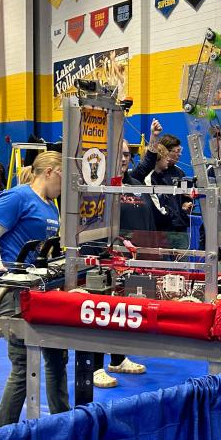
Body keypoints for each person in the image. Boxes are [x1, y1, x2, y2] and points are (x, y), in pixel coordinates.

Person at [0, 150, 68, 422]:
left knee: (57, 359)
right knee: (22, 367)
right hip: (14, 291)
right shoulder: (17, 197)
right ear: (51, 171)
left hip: (43, 288)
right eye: (64, 176)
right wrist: (1, 269)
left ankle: (61, 422)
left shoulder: (51, 204)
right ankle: (4, 434)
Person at [92, 140, 151, 389]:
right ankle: (94, 366)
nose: (124, 158)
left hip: (128, 258)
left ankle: (117, 358)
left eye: (127, 154)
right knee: (97, 313)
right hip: (100, 256)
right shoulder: (96, 185)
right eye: (119, 154)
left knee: (121, 311)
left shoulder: (136, 185)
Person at [131, 120, 191, 250]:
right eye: (177, 151)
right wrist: (154, 136)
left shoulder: (181, 172)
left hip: (179, 226)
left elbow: (186, 194)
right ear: (165, 153)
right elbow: (147, 162)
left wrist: (187, 202)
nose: (179, 154)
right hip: (160, 229)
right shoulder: (151, 176)